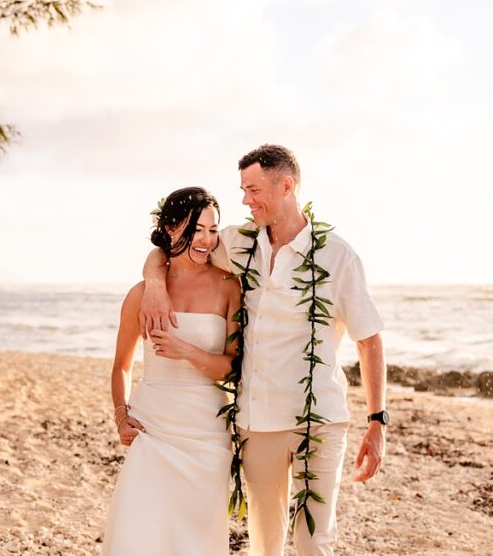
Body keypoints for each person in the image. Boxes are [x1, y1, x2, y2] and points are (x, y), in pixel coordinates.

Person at [140, 145, 387, 556]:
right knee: (265, 541)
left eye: (253, 189)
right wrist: (152, 282)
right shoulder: (238, 243)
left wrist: (377, 422)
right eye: (242, 189)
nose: (244, 200)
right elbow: (174, 245)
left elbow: (369, 338)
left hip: (319, 420)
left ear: (286, 185)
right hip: (257, 422)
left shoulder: (337, 256)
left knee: (314, 541)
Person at [102, 187, 242, 556]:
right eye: (196, 229)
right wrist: (121, 417)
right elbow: (121, 365)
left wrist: (188, 351)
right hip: (153, 429)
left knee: (196, 540)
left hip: (207, 433)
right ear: (170, 227)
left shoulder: (230, 287)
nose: (206, 240)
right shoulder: (142, 293)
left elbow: (231, 368)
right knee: (141, 533)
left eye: (213, 230)